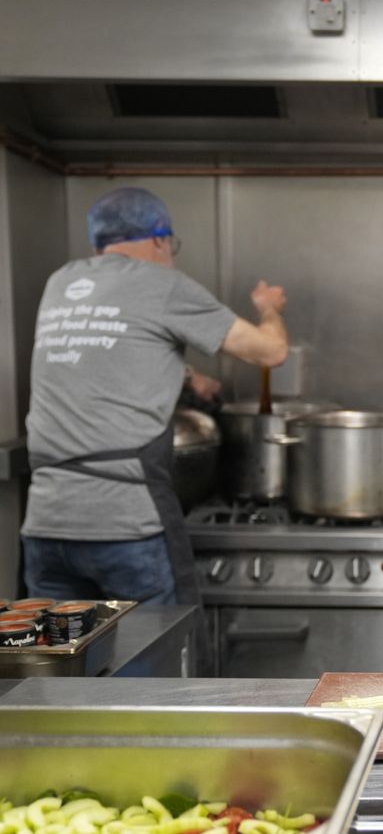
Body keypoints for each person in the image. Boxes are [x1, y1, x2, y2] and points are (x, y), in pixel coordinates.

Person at [21, 186, 289, 609]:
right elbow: (270, 352)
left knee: (60, 671)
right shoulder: (162, 285)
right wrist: (269, 308)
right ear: (160, 239)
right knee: (158, 667)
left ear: (99, 244)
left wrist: (188, 377)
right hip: (126, 524)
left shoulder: (62, 281)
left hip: (45, 526)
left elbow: (107, 348)